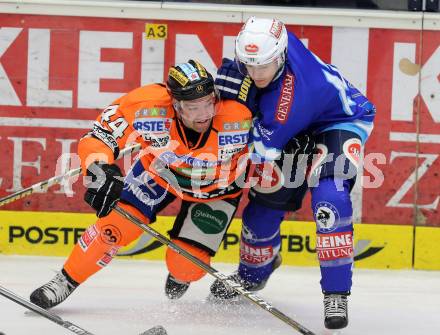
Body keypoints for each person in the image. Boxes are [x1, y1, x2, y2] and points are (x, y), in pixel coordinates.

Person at [29, 60, 253, 308]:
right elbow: (99, 135)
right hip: (159, 173)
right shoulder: (147, 105)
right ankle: (65, 280)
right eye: (192, 107)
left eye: (208, 104)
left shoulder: (239, 116)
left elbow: (279, 134)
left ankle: (181, 273)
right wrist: (98, 167)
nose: (203, 115)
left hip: (216, 190)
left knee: (186, 267)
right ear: (175, 105)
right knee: (114, 227)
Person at [209, 17, 376, 330]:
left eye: (264, 67)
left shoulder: (286, 104)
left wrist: (241, 100)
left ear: (281, 57)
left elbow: (258, 150)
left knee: (330, 199)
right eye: (249, 65)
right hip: (290, 128)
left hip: (338, 123)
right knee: (260, 213)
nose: (256, 74)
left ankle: (336, 292)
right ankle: (253, 274)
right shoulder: (275, 36)